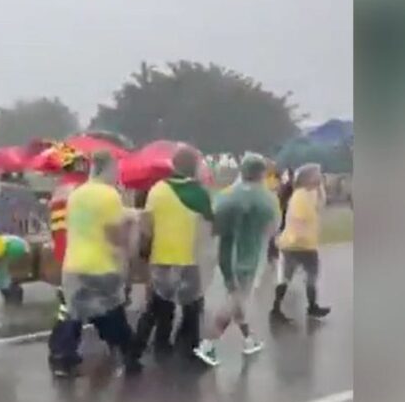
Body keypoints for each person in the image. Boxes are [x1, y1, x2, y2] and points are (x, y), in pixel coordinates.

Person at [48, 151, 142, 378]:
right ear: (108, 168)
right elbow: (113, 235)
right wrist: (129, 248)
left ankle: (62, 358)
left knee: (75, 313)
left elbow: (87, 223)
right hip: (101, 266)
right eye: (116, 169)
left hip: (73, 265)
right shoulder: (108, 195)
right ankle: (130, 355)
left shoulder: (76, 195)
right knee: (112, 315)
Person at [194, 153, 278, 367]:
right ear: (261, 173)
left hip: (226, 253)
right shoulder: (267, 198)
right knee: (234, 301)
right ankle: (208, 344)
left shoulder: (226, 195)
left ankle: (248, 338)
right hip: (248, 258)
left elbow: (212, 226)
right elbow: (272, 229)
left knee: (236, 297)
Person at [134, 145, 214, 357]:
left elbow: (146, 226)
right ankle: (188, 345)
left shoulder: (157, 189)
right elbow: (210, 226)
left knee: (158, 306)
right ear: (194, 167)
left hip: (161, 258)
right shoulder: (199, 193)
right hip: (189, 259)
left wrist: (144, 252)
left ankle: (144, 346)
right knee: (192, 306)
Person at [271, 163, 332, 322]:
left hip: (303, 244)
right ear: (308, 178)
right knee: (299, 276)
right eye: (316, 175)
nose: (320, 177)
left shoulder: (308, 193)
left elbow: (321, 205)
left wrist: (320, 188)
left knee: (298, 276)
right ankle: (280, 308)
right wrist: (296, 236)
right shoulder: (300, 196)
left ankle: (306, 306)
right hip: (297, 244)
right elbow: (301, 218)